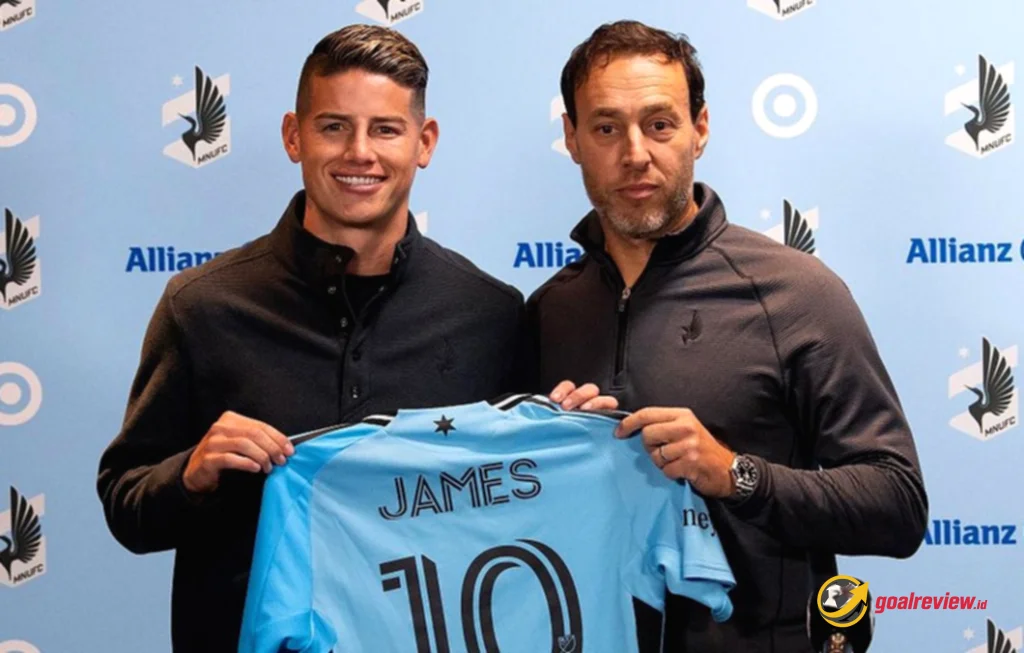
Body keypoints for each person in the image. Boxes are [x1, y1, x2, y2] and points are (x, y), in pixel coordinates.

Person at [96, 25, 607, 652]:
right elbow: (126, 506)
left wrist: (572, 440)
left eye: (385, 130)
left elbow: (527, 513)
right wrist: (190, 473)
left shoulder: (492, 313)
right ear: (294, 136)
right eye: (334, 126)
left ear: (424, 142)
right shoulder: (201, 305)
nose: (359, 152)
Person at [528, 20, 929, 652]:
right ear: (572, 139)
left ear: (700, 128)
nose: (635, 153)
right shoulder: (549, 310)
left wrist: (736, 474)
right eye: (606, 128)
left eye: (660, 124)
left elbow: (898, 505)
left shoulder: (795, 293)